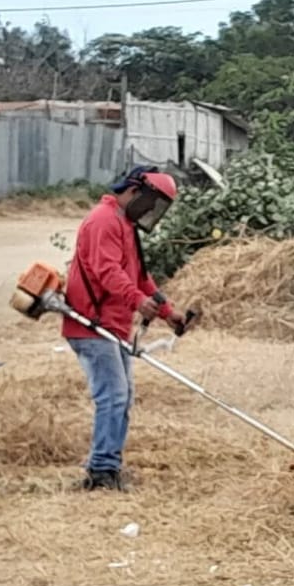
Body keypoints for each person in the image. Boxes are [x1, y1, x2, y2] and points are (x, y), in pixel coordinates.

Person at [63, 167, 189, 491]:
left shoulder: (124, 223)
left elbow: (139, 277)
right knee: (113, 396)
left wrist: (166, 312)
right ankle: (101, 472)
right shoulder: (104, 220)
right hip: (92, 324)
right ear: (135, 192)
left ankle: (110, 466)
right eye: (151, 203)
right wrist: (136, 300)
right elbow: (107, 271)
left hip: (113, 326)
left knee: (123, 396)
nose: (151, 211)